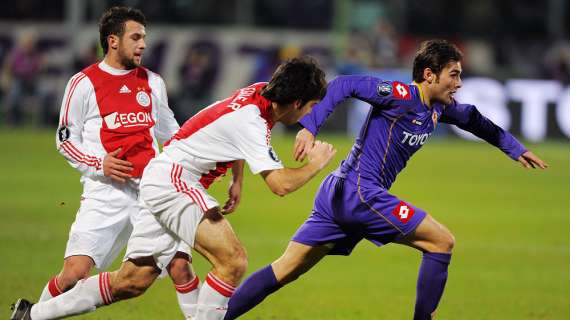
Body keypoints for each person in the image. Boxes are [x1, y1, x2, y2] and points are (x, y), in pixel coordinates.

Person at [223, 39, 549, 320]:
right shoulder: (399, 95)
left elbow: (474, 120)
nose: (459, 83)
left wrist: (514, 148)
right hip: (361, 194)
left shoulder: (437, 108)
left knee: (285, 269)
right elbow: (343, 85)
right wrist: (311, 126)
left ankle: (214, 317)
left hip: (338, 193)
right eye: (454, 74)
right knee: (441, 242)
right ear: (429, 74)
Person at [11, 56, 336, 320]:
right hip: (176, 180)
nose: (310, 114)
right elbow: (279, 185)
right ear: (295, 102)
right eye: (310, 107)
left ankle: (32, 315)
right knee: (233, 260)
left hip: (161, 178)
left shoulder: (260, 92)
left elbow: (225, 129)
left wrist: (237, 178)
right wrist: (316, 164)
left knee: (132, 281)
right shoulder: (252, 121)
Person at [10, 7, 198, 320]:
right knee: (73, 273)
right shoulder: (83, 83)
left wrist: (195, 162)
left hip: (150, 194)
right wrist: (101, 164)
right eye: (136, 37)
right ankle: (32, 316)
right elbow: (66, 140)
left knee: (180, 265)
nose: (143, 45)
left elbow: (172, 134)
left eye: (145, 38)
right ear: (113, 41)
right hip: (104, 193)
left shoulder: (153, 82)